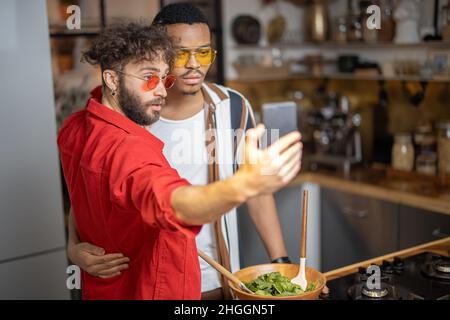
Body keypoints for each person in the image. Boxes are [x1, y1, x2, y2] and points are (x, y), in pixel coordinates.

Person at [58, 22, 302, 300]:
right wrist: (243, 185)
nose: (161, 90)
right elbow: (174, 204)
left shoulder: (76, 127)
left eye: (165, 79)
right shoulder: (128, 149)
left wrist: (73, 243)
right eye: (150, 78)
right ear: (112, 80)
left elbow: (84, 195)